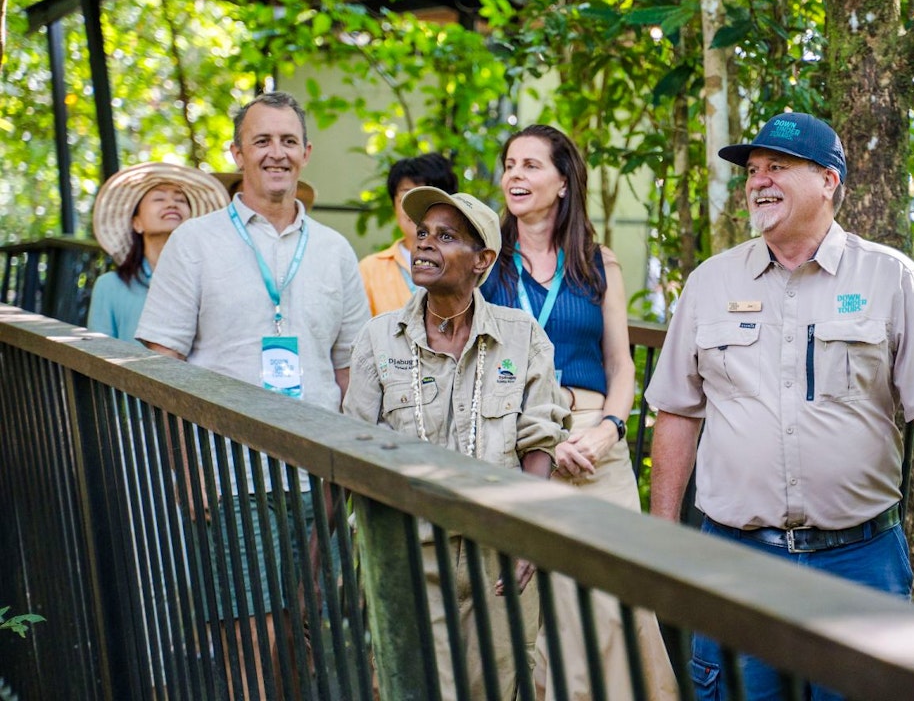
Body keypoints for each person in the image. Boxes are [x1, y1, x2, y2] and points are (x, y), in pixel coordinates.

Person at [645, 112, 914, 700]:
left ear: (828, 180)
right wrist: (660, 535)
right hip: (736, 559)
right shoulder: (709, 282)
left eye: (778, 168)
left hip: (860, 563)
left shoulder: (891, 277)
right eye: (753, 171)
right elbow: (678, 414)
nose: (759, 181)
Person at [135, 91, 370, 697]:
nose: (276, 153)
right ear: (237, 152)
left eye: (288, 141)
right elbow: (163, 362)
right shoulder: (195, 242)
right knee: (250, 634)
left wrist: (351, 471)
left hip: (316, 469)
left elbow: (348, 370)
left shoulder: (335, 251)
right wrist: (188, 474)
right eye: (262, 140)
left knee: (302, 633)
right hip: (230, 471)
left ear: (306, 154)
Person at [343, 186, 570, 700]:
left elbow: (540, 440)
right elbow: (353, 443)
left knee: (498, 683)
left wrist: (528, 534)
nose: (424, 245)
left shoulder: (522, 336)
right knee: (407, 684)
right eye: (422, 233)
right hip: (406, 548)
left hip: (496, 551)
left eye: (446, 237)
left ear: (481, 260)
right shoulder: (379, 338)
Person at [483, 124, 677, 701]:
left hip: (594, 449)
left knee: (609, 610)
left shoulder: (597, 262)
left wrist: (608, 432)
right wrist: (533, 442)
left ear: (563, 182)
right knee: (518, 613)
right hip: (512, 443)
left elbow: (622, 368)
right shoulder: (485, 260)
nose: (515, 176)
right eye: (510, 165)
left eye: (530, 166)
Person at [87, 162, 228, 342]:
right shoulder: (109, 286)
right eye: (159, 199)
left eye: (180, 200)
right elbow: (98, 355)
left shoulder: (210, 282)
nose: (171, 204)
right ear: (136, 223)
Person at [358, 152, 458, 316]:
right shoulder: (369, 270)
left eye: (427, 197)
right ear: (394, 206)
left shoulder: (467, 263)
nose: (417, 208)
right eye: (407, 197)